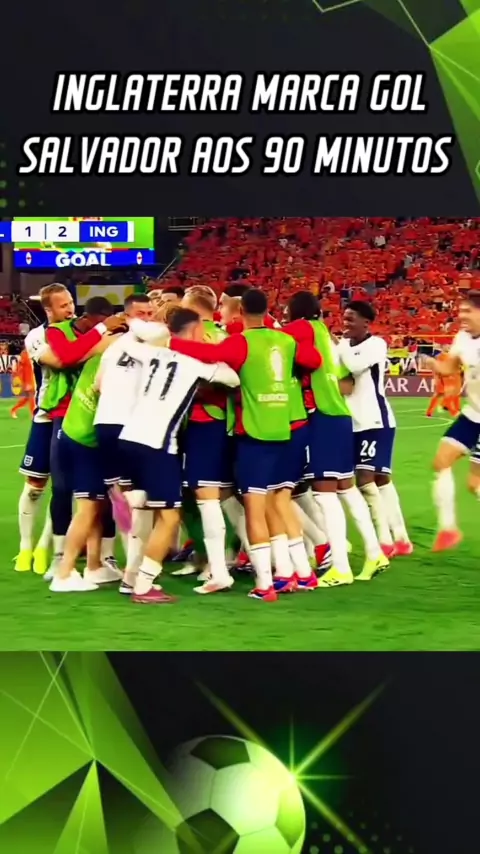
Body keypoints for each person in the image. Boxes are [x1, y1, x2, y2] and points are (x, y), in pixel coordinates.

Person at [170, 288, 322, 601]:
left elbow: (209, 356)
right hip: (284, 429)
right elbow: (314, 360)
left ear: (240, 312)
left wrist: (169, 343)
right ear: (268, 311)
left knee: (255, 508)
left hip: (254, 432)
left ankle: (265, 584)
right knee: (278, 502)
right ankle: (296, 573)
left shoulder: (241, 342)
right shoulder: (285, 340)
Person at [117, 308, 240, 604]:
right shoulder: (194, 364)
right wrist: (211, 357)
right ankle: (144, 585)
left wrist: (143, 328)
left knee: (147, 508)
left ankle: (131, 575)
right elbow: (233, 379)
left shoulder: (151, 352)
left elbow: (128, 342)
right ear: (196, 331)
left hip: (129, 438)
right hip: (158, 445)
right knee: (170, 517)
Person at [283, 291, 388, 586]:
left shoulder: (301, 330)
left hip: (322, 418)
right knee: (346, 488)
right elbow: (346, 382)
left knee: (324, 492)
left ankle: (340, 567)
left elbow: (272, 341)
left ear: (295, 312)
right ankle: (374, 552)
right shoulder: (329, 339)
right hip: (341, 415)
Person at [337, 301, 412, 557]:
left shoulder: (376, 344)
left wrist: (340, 346)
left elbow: (353, 366)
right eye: (344, 318)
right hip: (352, 423)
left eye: (351, 319)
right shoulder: (344, 345)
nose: (345, 323)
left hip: (375, 420)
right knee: (380, 479)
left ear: (366, 323)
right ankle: (401, 538)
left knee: (365, 480)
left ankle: (385, 540)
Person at [15, 284, 75, 574]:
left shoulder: (80, 331)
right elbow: (59, 360)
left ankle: (43, 546)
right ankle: (25, 547)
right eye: (63, 305)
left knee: (63, 488)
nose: (70, 309)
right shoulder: (36, 336)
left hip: (74, 417)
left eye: (71, 302)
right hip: (46, 417)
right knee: (35, 485)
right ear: (48, 309)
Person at [179, 288, 235, 593]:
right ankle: (220, 559)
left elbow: (213, 379)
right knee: (220, 494)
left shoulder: (204, 336)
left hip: (206, 421)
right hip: (215, 421)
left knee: (207, 495)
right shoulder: (222, 335)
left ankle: (219, 567)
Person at [427, 291, 480, 551]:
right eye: (460, 311)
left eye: (467, 311)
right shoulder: (462, 338)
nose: (461, 316)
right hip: (473, 414)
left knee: (475, 484)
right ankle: (448, 530)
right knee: (441, 461)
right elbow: (450, 367)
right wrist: (433, 364)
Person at [426, 348, 462, 418]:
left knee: (444, 394)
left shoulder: (449, 356)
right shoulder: (442, 356)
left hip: (447, 378)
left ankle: (431, 411)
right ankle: (453, 411)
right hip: (444, 378)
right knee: (443, 394)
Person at [10, 349, 36, 418]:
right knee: (31, 398)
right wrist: (24, 382)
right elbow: (21, 370)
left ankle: (13, 410)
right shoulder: (25, 355)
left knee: (27, 399)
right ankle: (33, 414)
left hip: (33, 378)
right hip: (28, 380)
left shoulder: (33, 353)